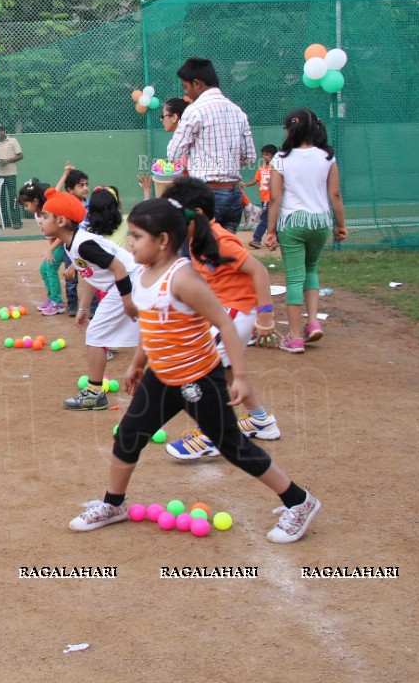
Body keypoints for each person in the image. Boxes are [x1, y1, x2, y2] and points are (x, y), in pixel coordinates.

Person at [67, 197, 321, 544]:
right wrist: (138, 364)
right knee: (128, 436)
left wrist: (242, 378)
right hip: (161, 374)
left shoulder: (183, 278)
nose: (130, 243)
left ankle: (299, 501)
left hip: (198, 377)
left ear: (163, 241)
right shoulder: (142, 274)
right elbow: (152, 325)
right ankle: (114, 504)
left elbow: (225, 325)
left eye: (137, 237)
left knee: (232, 446)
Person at [159, 176, 281, 460]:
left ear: (197, 215)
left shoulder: (219, 239)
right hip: (225, 310)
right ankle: (261, 420)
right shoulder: (196, 239)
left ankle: (212, 435)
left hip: (238, 311)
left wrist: (266, 317)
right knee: (225, 371)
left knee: (205, 369)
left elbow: (259, 271)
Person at [42, 190, 139, 410]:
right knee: (154, 330)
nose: (40, 221)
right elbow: (91, 276)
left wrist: (127, 300)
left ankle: (95, 393)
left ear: (61, 220)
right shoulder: (73, 244)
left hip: (130, 281)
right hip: (126, 283)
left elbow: (118, 267)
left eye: (45, 216)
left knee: (96, 333)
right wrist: (83, 307)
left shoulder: (82, 244)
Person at [264, 108, 347, 353]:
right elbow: (335, 194)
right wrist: (340, 225)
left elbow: (275, 198)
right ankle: (312, 322)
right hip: (320, 222)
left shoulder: (280, 159)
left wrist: (271, 230)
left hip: (293, 223)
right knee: (311, 269)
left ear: (289, 130)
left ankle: (295, 337)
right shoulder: (327, 157)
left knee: (293, 278)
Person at [165, 57, 256, 233]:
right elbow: (249, 157)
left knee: (194, 253)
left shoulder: (194, 110)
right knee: (224, 256)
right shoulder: (238, 111)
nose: (186, 94)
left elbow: (173, 154)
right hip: (234, 197)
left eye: (186, 87)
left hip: (205, 196)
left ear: (197, 83)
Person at [16, 179, 65, 315]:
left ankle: (58, 303)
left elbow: (62, 234)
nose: (25, 208)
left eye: (26, 205)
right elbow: (54, 191)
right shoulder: (38, 213)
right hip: (56, 244)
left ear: (36, 202)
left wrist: (51, 249)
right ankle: (51, 299)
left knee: (50, 268)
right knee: (44, 268)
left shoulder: (48, 210)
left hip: (64, 243)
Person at [51, 163, 90, 317]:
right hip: (71, 248)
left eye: (86, 184)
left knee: (90, 275)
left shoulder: (90, 204)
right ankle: (72, 305)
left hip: (87, 247)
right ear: (70, 189)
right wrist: (65, 175)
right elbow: (54, 193)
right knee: (71, 278)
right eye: (81, 185)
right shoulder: (66, 203)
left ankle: (92, 306)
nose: (85, 188)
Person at [0, 127, 25, 229]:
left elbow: (20, 156)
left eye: (1, 130)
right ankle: (5, 222)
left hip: (10, 174)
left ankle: (17, 222)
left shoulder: (13, 141)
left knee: (13, 198)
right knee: (1, 199)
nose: (0, 132)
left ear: (5, 131)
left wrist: (8, 160)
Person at [244, 145, 276, 249]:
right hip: (263, 199)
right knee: (272, 219)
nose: (264, 157)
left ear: (273, 156)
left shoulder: (275, 168)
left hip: (270, 198)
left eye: (267, 155)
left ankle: (256, 239)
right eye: (263, 155)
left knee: (265, 219)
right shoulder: (261, 168)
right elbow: (255, 180)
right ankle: (278, 239)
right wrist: (246, 184)